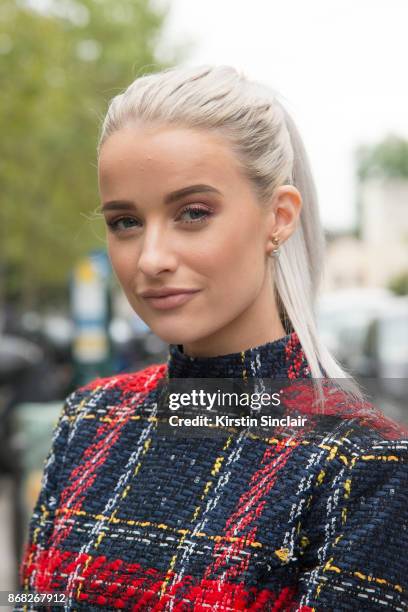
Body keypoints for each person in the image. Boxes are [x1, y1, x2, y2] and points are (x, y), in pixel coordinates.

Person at [18, 65, 408, 611]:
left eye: (192, 213)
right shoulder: (90, 420)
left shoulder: (363, 468)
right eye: (125, 222)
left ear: (279, 215)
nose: (151, 259)